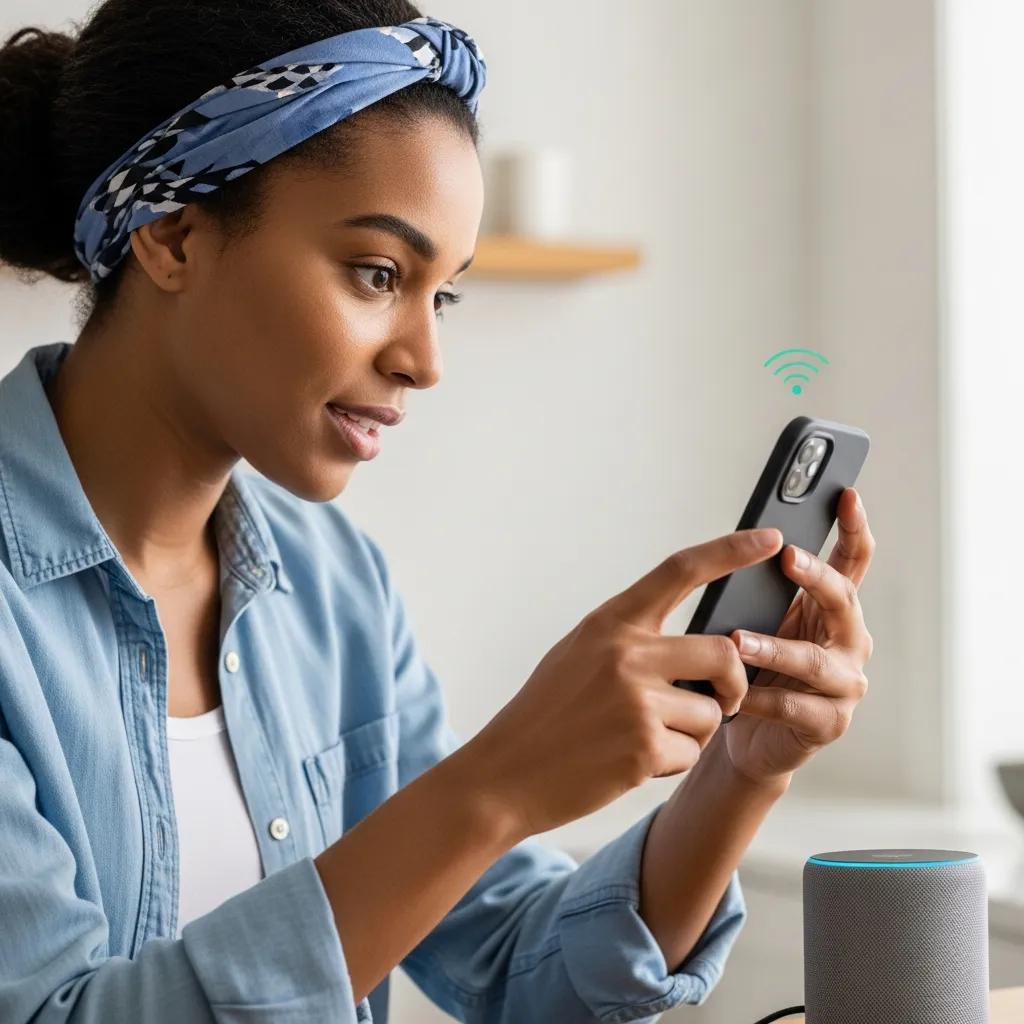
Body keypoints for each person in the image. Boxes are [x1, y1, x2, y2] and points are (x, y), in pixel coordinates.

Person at [0, 2, 876, 1022]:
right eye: (378, 274)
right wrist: (495, 783)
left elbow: (520, 967)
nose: (423, 358)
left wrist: (738, 770)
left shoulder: (329, 583)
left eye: (442, 294)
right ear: (173, 235)